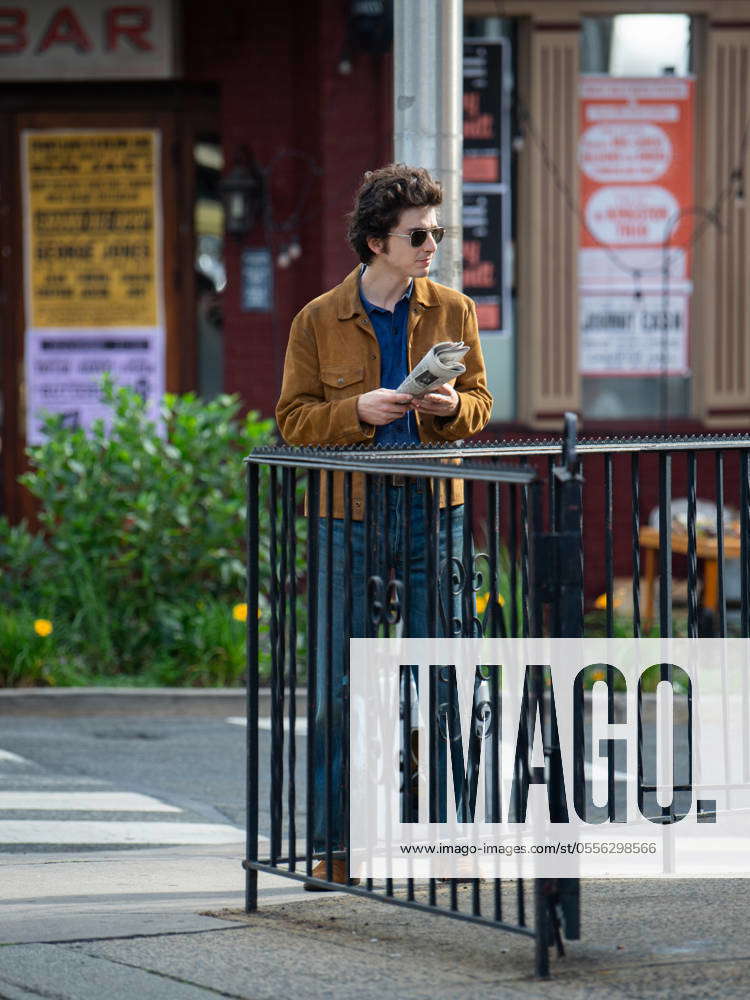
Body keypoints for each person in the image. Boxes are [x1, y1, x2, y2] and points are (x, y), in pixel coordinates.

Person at [276, 163, 492, 887]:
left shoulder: (453, 311)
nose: (433, 244)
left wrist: (449, 410)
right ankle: (337, 847)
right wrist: (355, 414)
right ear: (376, 242)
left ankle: (450, 842)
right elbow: (292, 421)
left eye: (437, 231)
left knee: (447, 677)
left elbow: (482, 403)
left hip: (436, 509)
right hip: (347, 514)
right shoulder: (317, 320)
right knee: (342, 682)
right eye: (419, 234)